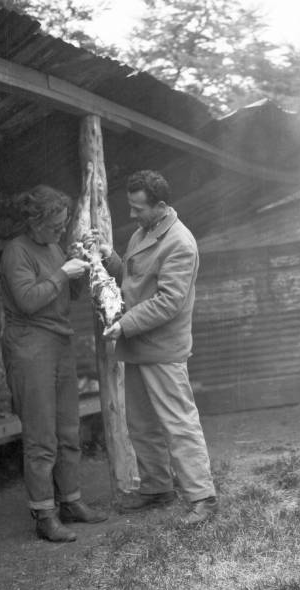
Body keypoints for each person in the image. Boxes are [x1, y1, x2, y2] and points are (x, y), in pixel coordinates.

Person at [91, 170, 217, 525]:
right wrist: (110, 257)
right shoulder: (143, 233)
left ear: (160, 206)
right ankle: (157, 487)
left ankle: (202, 497)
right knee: (142, 424)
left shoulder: (180, 243)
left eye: (138, 208)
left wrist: (123, 324)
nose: (132, 215)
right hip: (139, 346)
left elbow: (168, 301)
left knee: (178, 423)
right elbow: (134, 282)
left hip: (162, 347)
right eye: (131, 207)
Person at [0, 185, 108, 543]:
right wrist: (63, 272)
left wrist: (81, 261)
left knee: (68, 430)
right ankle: (44, 513)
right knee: (41, 437)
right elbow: (29, 300)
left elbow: (67, 293)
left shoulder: (53, 246)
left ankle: (71, 501)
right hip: (30, 347)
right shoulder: (16, 252)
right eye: (56, 225)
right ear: (36, 221)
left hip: (59, 343)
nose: (61, 231)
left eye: (64, 225)